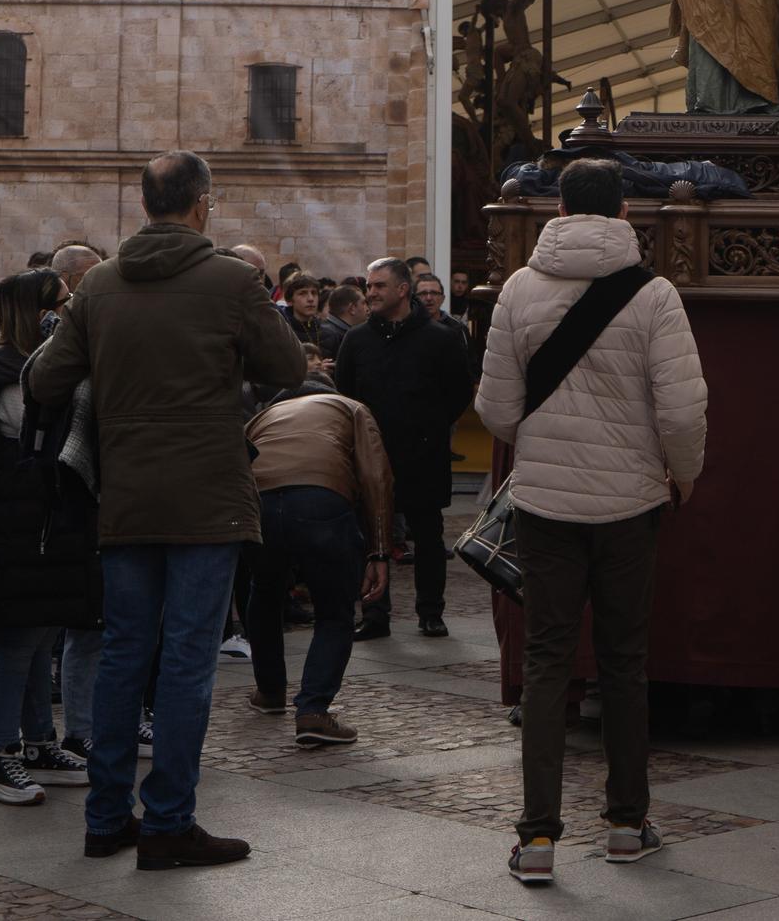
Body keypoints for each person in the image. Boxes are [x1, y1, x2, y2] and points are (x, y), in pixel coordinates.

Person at [28, 150, 307, 870]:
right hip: (209, 499)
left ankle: (104, 818)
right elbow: (290, 368)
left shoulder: (101, 285)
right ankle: (169, 822)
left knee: (124, 655)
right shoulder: (232, 279)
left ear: (145, 203)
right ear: (202, 203)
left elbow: (45, 377)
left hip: (124, 495)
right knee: (187, 662)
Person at [478, 157, 710, 885]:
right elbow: (680, 407)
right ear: (621, 214)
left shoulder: (519, 286)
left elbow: (496, 410)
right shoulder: (655, 293)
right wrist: (685, 473)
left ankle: (538, 836)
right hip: (630, 504)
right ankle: (624, 822)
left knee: (547, 662)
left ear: (557, 211)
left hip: (545, 505)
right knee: (624, 662)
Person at [0, 269, 95, 806]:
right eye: (60, 304)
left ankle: (40, 743)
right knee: (14, 642)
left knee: (40, 637)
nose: (67, 312)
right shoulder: (9, 372)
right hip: (17, 525)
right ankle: (3, 756)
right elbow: (36, 437)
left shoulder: (31, 363)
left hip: (42, 521)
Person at [242, 386, 393, 744]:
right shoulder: (353, 406)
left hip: (258, 500)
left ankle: (270, 691)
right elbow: (376, 476)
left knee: (264, 591)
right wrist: (380, 551)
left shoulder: (264, 416)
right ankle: (312, 710)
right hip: (321, 499)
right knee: (334, 611)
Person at [338, 258, 475, 640]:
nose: (371, 293)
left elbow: (459, 392)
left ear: (402, 289)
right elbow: (344, 394)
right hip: (372, 453)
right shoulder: (357, 339)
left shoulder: (439, 338)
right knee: (371, 535)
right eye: (369, 285)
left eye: (380, 286)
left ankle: (430, 611)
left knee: (428, 536)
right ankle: (374, 611)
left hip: (423, 453)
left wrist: (429, 427)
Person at [280, 273, 327, 349]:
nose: (310, 299)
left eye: (314, 293)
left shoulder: (329, 334)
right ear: (290, 301)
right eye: (303, 293)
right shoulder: (282, 331)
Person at [320, 284, 362, 360]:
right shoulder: (329, 335)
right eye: (364, 303)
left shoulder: (343, 332)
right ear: (352, 309)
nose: (368, 308)